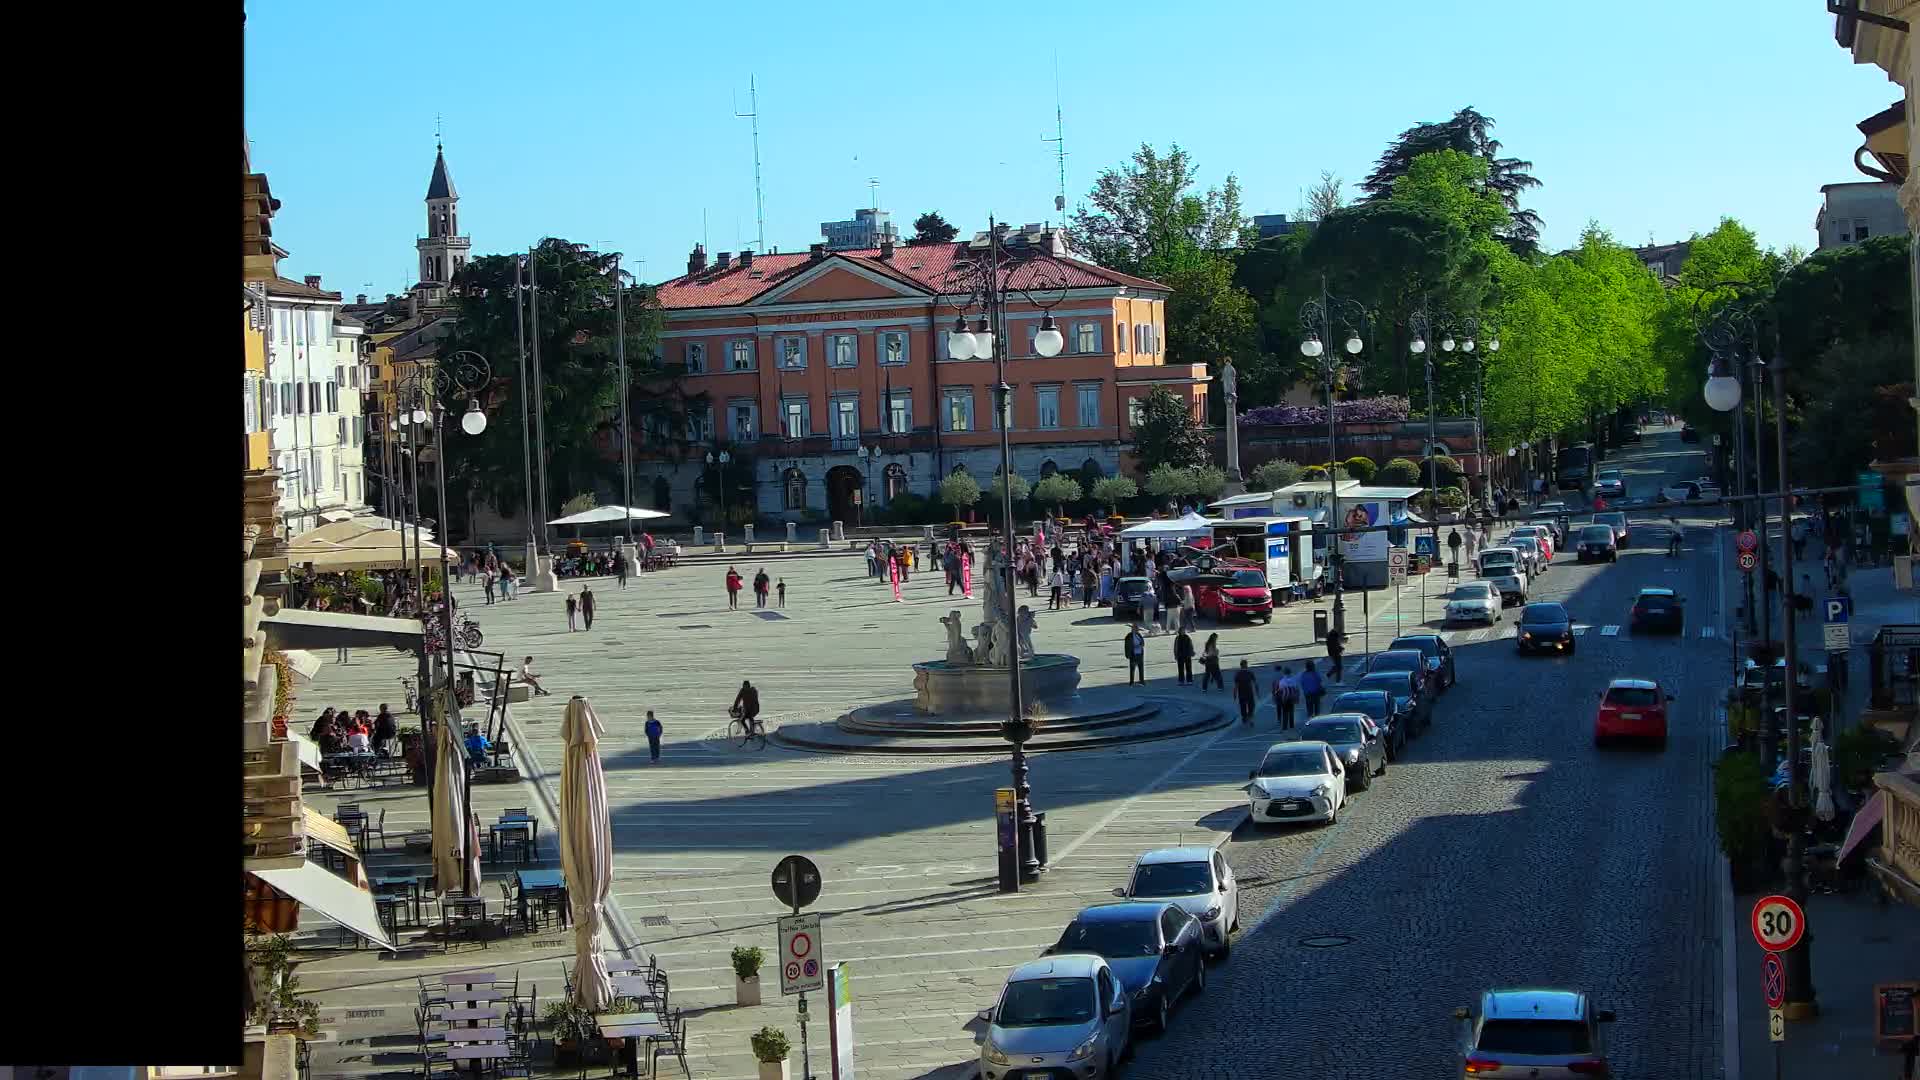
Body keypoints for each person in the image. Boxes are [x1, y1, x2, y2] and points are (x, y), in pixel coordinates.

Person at [1233, 660, 1258, 724]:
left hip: (1241, 693)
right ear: (1246, 665)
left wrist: (1235, 695)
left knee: (1243, 706)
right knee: (1251, 705)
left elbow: (1235, 686)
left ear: (1240, 666)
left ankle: (1244, 717)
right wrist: (1257, 692)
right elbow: (1255, 683)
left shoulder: (1238, 674)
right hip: (1249, 692)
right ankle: (1250, 716)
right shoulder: (1250, 673)